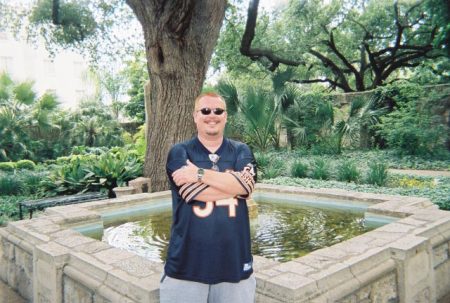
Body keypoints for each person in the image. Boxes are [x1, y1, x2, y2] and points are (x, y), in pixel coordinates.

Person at [161, 92, 257, 303]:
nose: (211, 115)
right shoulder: (180, 152)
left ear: (226, 116)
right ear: (195, 116)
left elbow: (247, 185)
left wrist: (199, 174)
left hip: (235, 267)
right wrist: (235, 184)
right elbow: (191, 193)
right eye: (205, 110)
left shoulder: (241, 150)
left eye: (218, 111)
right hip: (185, 269)